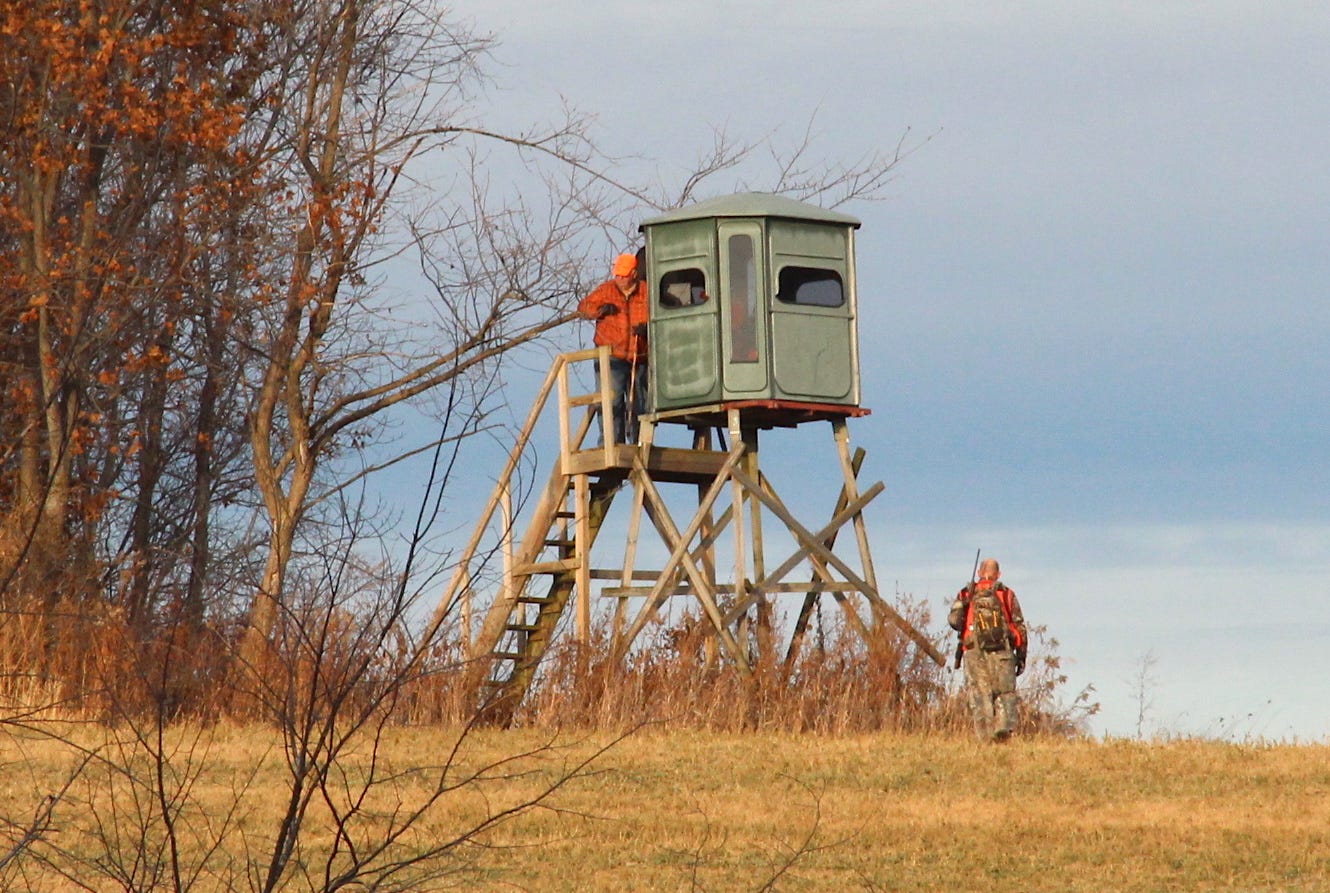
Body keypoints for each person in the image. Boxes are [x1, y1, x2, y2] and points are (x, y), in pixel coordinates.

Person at [948, 558, 1028, 742]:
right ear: (998, 574)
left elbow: (954, 622)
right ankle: (1003, 734)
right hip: (1003, 652)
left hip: (974, 650)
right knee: (1005, 694)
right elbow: (1020, 627)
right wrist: (1021, 656)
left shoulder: (966, 593)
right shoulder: (1006, 594)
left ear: (978, 573)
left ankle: (984, 739)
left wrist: (964, 606)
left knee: (979, 695)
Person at [577, 252, 648, 443]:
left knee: (640, 406)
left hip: (639, 357)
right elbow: (583, 307)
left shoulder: (646, 291)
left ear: (634, 274)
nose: (619, 279)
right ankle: (610, 443)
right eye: (617, 274)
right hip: (611, 356)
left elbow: (658, 316)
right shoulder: (606, 290)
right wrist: (600, 310)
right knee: (611, 402)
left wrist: (648, 328)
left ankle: (640, 445)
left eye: (624, 275)